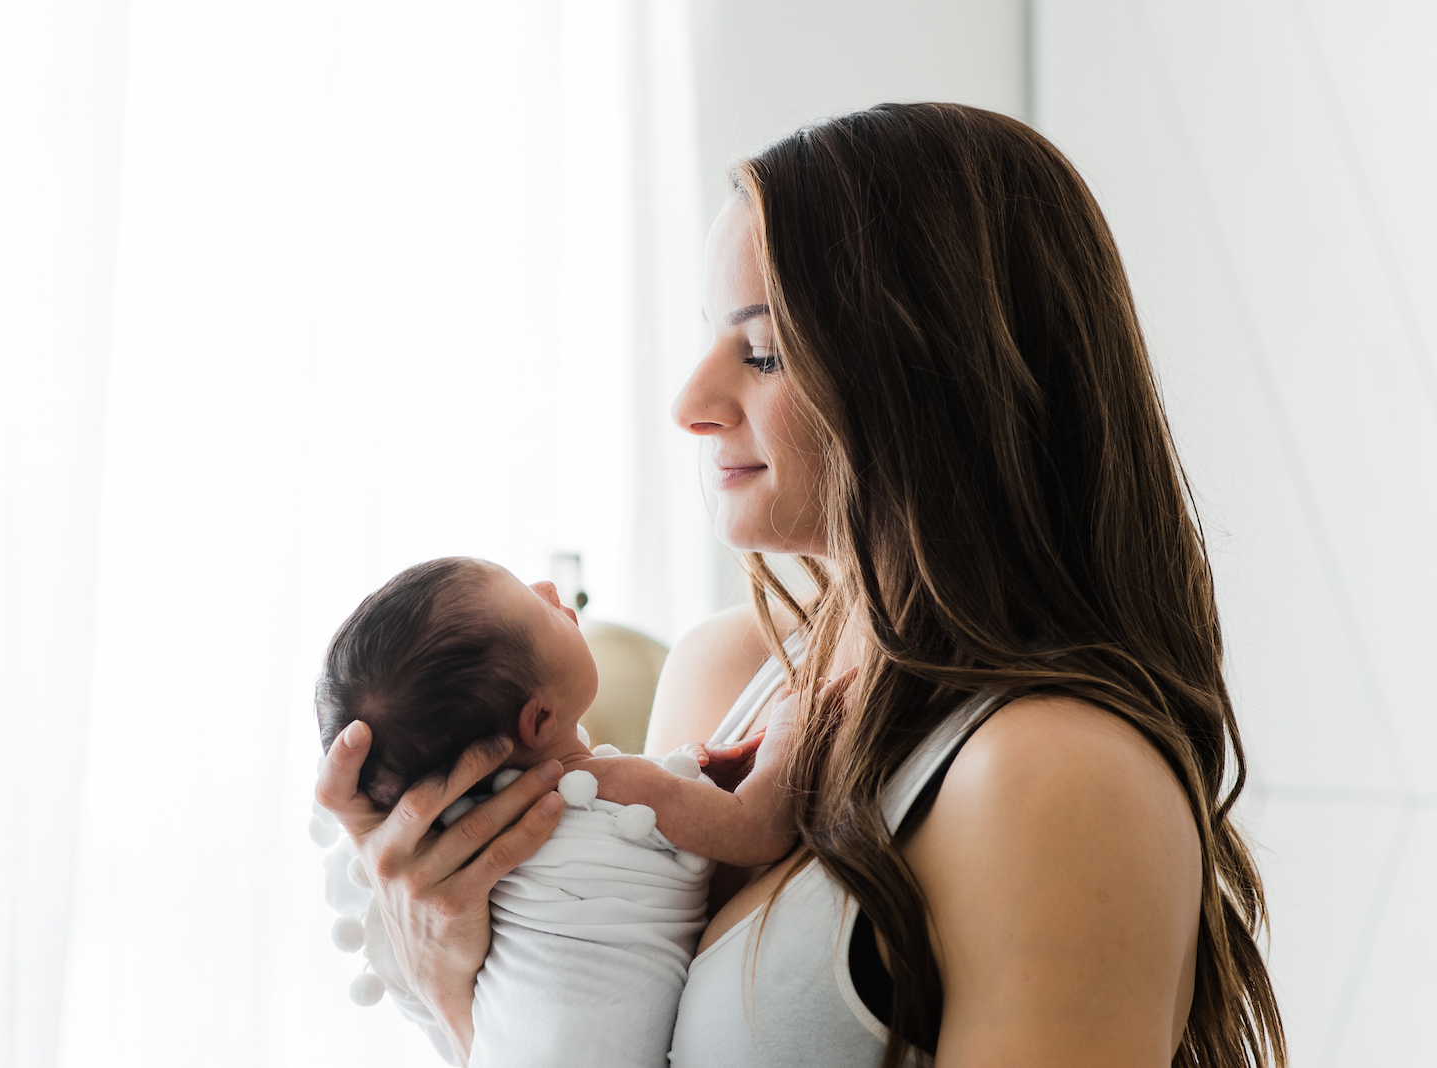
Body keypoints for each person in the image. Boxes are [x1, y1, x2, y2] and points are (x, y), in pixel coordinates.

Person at [315, 102, 1286, 1068]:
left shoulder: (1050, 776)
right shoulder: (724, 673)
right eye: (708, 336)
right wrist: (455, 995)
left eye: (763, 349)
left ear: (939, 379)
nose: (690, 404)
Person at [312, 555, 805, 1067]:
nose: (548, 586)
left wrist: (686, 779)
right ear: (541, 718)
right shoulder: (621, 788)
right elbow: (760, 827)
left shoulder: (465, 853)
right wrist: (792, 722)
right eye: (539, 607)